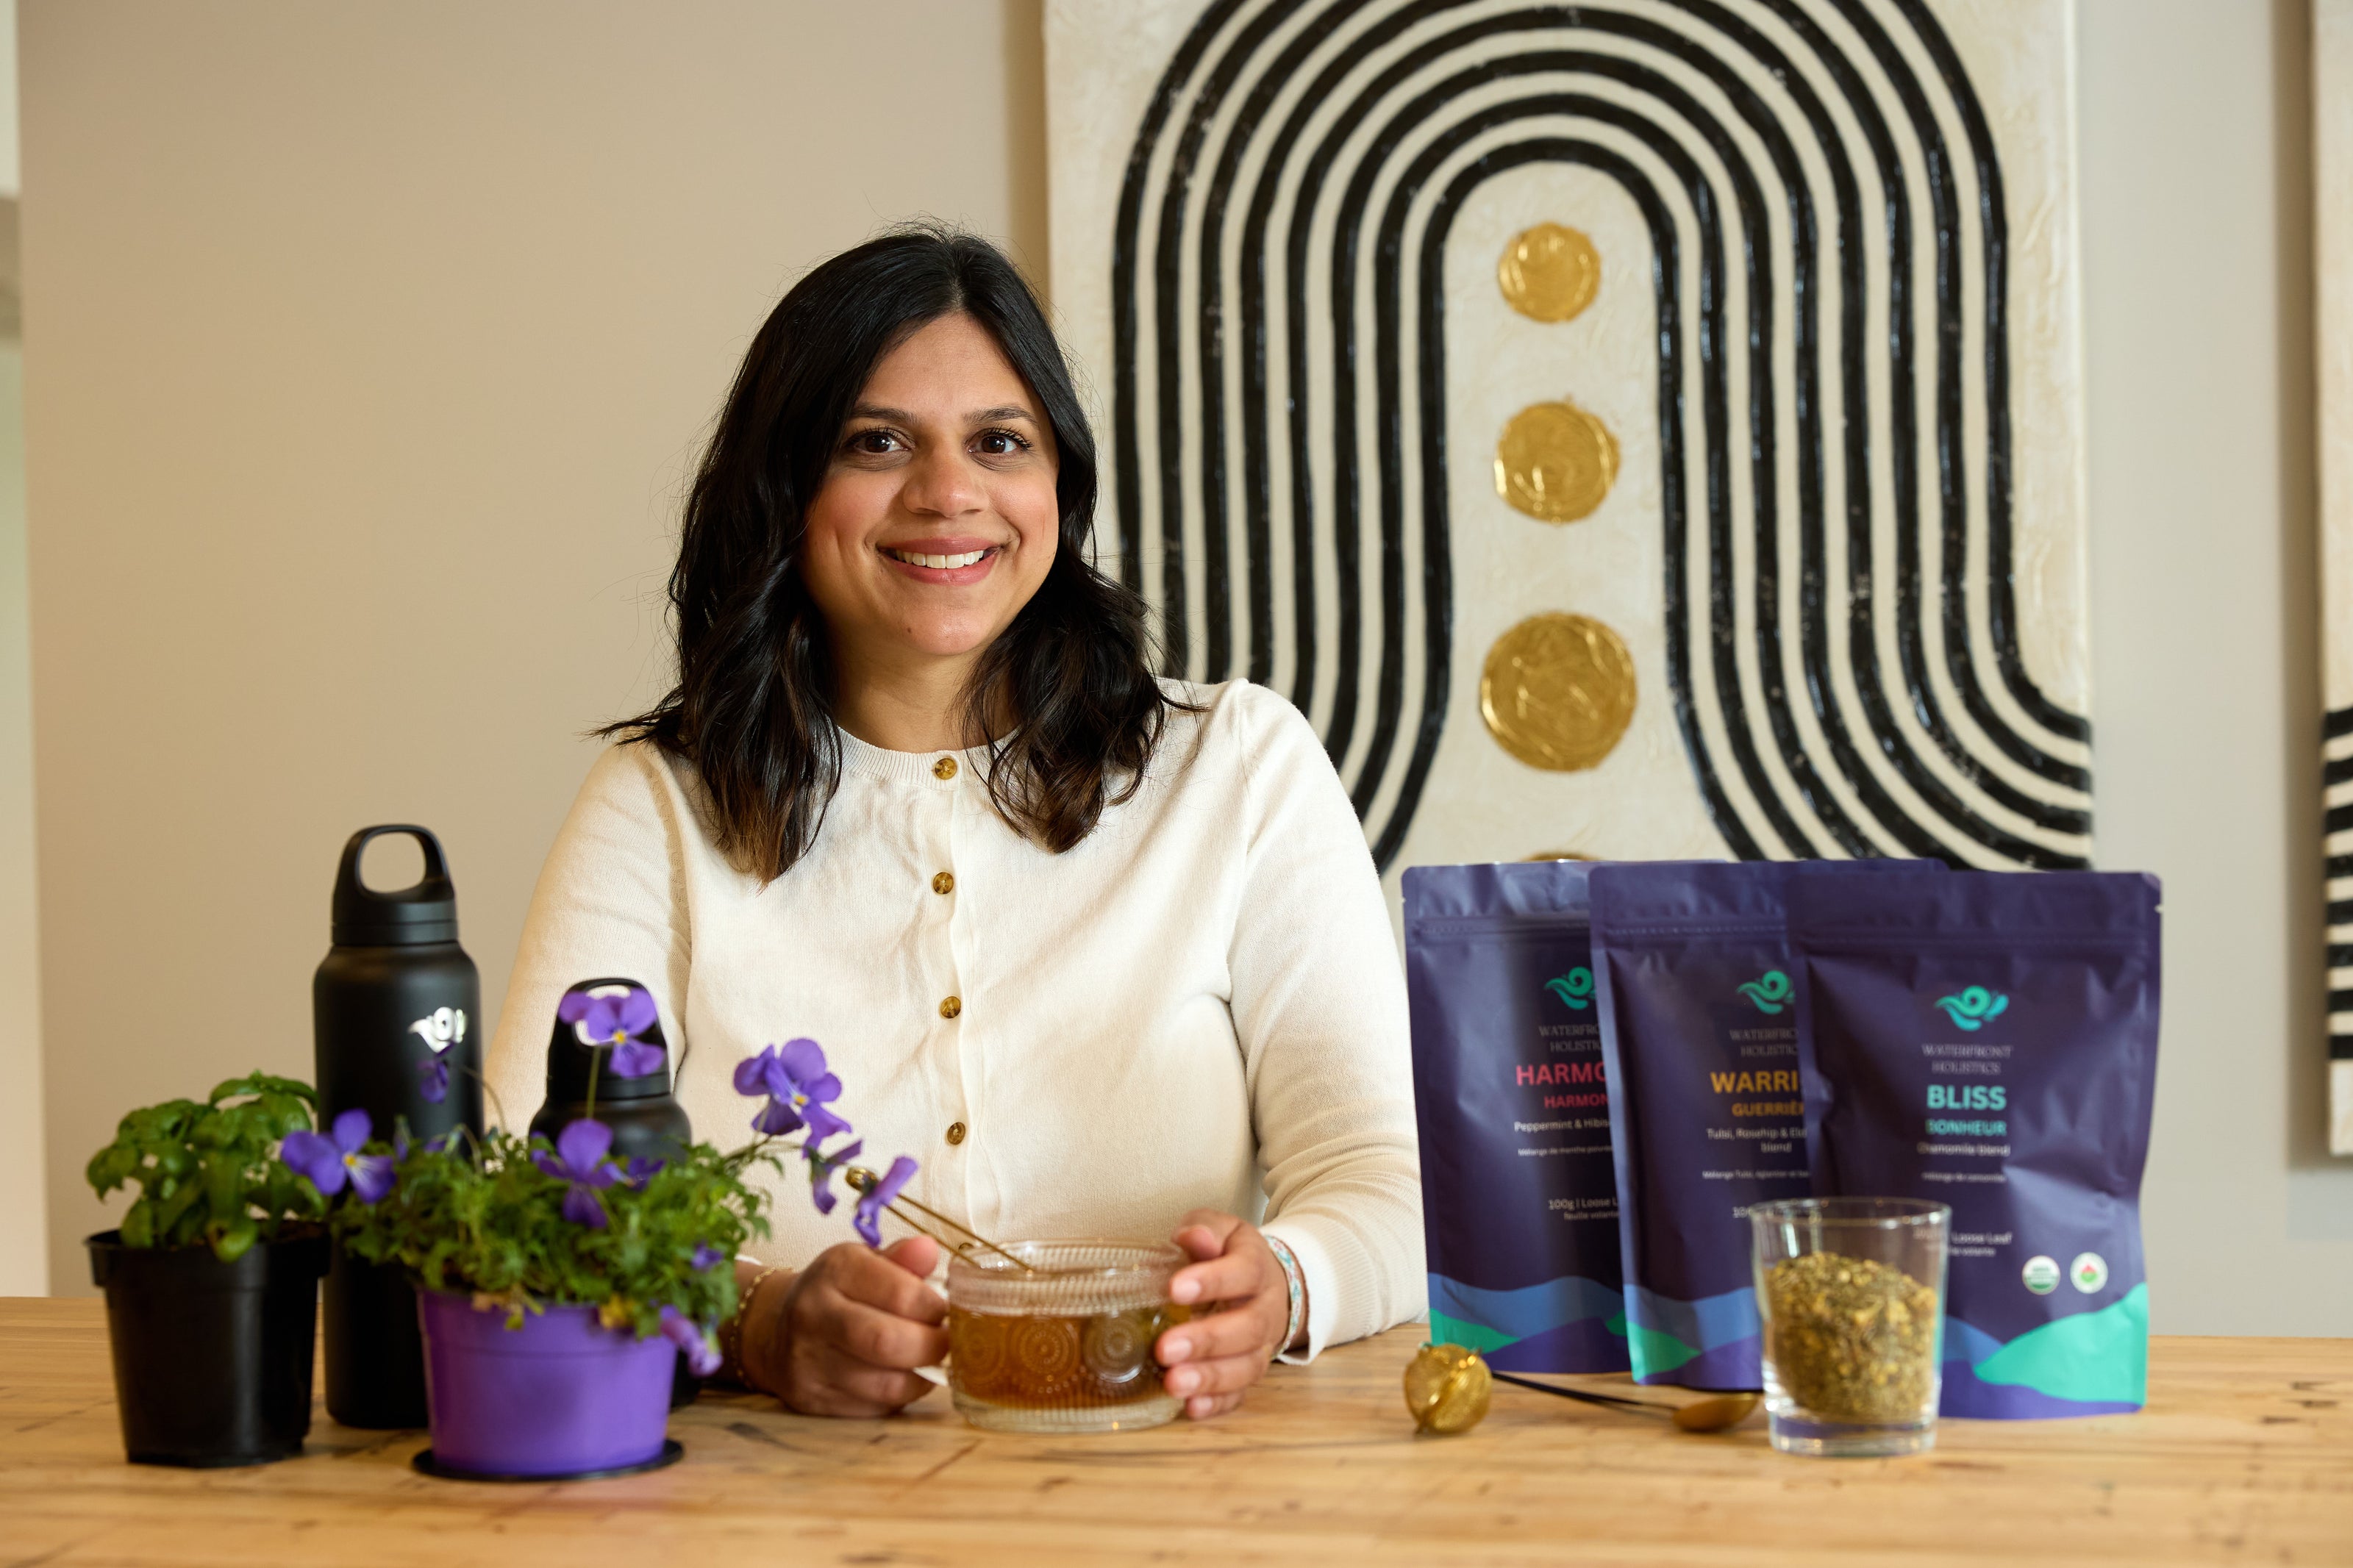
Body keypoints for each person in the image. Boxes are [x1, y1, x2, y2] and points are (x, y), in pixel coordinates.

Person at [488, 225, 1421, 1420]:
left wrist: (1290, 1283)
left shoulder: (1238, 767)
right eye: (877, 442)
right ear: (785, 488)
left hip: (1183, 1506)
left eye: (999, 442)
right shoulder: (657, 805)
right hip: (772, 1517)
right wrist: (758, 1321)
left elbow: (1386, 1181)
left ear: (1057, 489)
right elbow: (520, 1201)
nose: (948, 493)